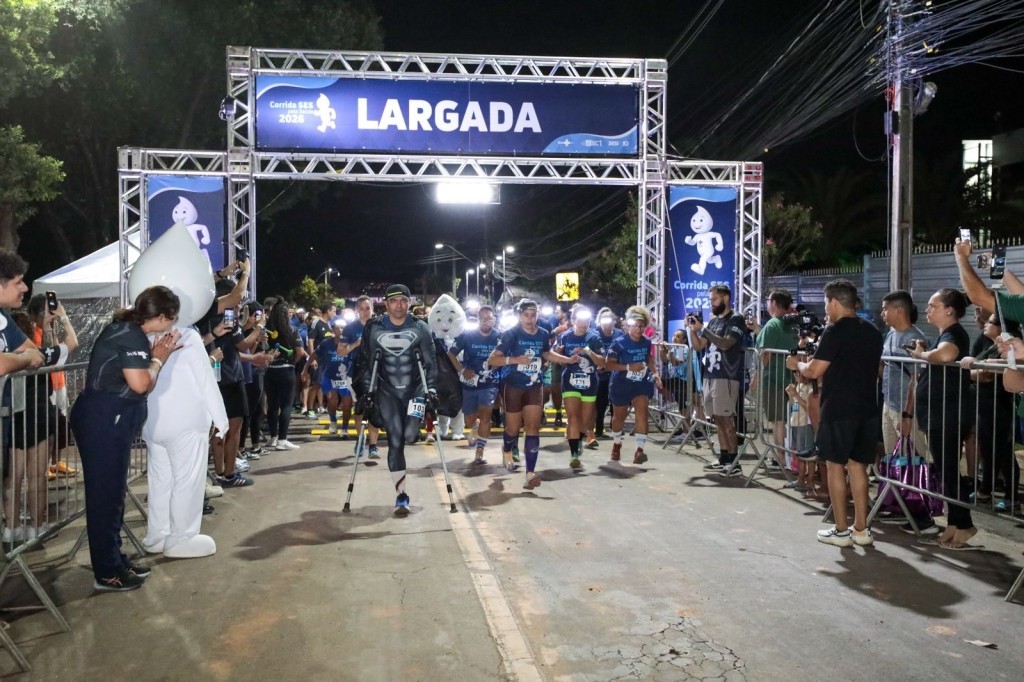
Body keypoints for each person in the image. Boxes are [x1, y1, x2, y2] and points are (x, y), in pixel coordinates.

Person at [70, 286, 181, 591]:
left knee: (114, 494)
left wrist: (156, 355)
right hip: (102, 421)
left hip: (107, 420)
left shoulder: (130, 332)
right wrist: (159, 358)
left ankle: (115, 559)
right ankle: (107, 572)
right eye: (172, 318)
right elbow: (141, 383)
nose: (174, 324)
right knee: (105, 497)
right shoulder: (130, 335)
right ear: (160, 317)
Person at [787, 279, 882, 548]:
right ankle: (861, 530)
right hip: (867, 408)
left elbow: (815, 371)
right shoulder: (873, 331)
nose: (825, 309)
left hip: (839, 408)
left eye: (827, 302)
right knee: (858, 467)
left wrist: (798, 364)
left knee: (835, 467)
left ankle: (841, 530)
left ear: (835, 302)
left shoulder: (835, 331)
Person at [142, 319, 228, 559]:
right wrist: (221, 419)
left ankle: (157, 534)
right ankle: (181, 537)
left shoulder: (145, 336)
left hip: (154, 420)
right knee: (187, 480)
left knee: (160, 481)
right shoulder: (187, 336)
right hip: (186, 421)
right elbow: (205, 379)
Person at [354, 284, 437, 515]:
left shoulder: (421, 327)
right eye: (394, 301)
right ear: (387, 304)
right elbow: (368, 362)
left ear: (409, 303)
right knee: (396, 441)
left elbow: (430, 363)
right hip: (387, 391)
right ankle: (401, 495)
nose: (399, 305)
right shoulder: (375, 328)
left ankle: (414, 425)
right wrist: (366, 392)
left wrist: (432, 390)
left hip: (416, 390)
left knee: (410, 436)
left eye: (403, 300)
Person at [3, 291, 77, 543]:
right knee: (35, 478)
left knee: (14, 479)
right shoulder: (40, 352)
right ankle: (37, 527)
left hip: (14, 416)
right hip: (34, 417)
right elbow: (71, 345)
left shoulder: (21, 353)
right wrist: (62, 318)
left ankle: (10, 529)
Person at [488, 299, 577, 489]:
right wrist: (515, 359)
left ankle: (530, 473)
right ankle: (507, 448)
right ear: (519, 315)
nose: (530, 319)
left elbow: (546, 354)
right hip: (512, 385)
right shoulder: (511, 334)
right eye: (526, 315)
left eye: (533, 314)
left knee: (533, 427)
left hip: (534, 386)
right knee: (512, 428)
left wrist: (567, 360)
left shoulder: (543, 334)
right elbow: (493, 359)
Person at [688, 285, 747, 476]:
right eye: (710, 300)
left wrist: (703, 328)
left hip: (726, 376)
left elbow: (725, 343)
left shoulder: (736, 319)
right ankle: (724, 458)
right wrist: (692, 330)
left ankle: (734, 461)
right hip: (710, 376)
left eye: (714, 300)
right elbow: (698, 347)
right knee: (718, 419)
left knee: (727, 419)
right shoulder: (713, 323)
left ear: (726, 298)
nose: (711, 304)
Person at [606, 306, 663, 464]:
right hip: (621, 384)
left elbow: (649, 358)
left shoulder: (646, 342)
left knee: (642, 411)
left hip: (641, 383)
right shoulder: (619, 343)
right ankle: (617, 444)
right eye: (636, 325)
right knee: (619, 417)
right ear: (629, 326)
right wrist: (629, 367)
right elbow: (609, 364)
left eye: (642, 325)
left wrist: (656, 373)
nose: (639, 329)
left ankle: (639, 450)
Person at [553, 306, 605, 469]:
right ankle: (574, 454)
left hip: (590, 381)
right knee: (573, 417)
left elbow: (602, 362)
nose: (584, 323)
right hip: (570, 380)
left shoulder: (595, 338)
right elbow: (558, 359)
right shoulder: (564, 337)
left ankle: (580, 439)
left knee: (585, 420)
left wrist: (587, 351)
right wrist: (563, 356)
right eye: (580, 320)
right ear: (573, 321)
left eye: (587, 320)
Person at [448, 305, 501, 464]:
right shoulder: (467, 336)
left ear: (494, 320)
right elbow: (451, 354)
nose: (486, 321)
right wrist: (462, 370)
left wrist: (499, 364)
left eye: (489, 318)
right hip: (470, 383)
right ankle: (475, 427)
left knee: (486, 415)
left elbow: (507, 355)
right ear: (478, 319)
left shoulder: (500, 337)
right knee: (469, 420)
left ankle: (480, 450)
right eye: (483, 318)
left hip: (489, 382)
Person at [754, 290, 798, 469]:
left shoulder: (773, 324)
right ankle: (789, 458)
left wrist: (756, 376)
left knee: (778, 421)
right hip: (792, 380)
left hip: (774, 380)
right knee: (790, 421)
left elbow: (765, 354)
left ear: (774, 303)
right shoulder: (793, 324)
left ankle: (781, 458)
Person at [339, 296, 381, 458]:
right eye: (361, 309)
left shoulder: (380, 326)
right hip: (355, 374)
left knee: (375, 409)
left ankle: (373, 445)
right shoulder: (350, 329)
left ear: (372, 309)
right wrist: (355, 344)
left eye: (367, 308)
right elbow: (340, 351)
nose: (365, 312)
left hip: (377, 373)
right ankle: (360, 438)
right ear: (357, 311)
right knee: (360, 409)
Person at [265, 300, 306, 451]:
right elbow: (300, 352)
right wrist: (292, 362)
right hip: (286, 370)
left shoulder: (267, 330)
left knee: (272, 405)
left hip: (270, 370)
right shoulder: (292, 329)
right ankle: (283, 440)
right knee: (287, 405)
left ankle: (273, 437)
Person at [591, 307, 622, 443]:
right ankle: (598, 428)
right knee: (600, 402)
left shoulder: (619, 334)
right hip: (600, 374)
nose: (607, 324)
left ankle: (616, 428)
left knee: (617, 401)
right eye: (604, 321)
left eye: (610, 321)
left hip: (615, 373)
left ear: (614, 322)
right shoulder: (594, 334)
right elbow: (590, 352)